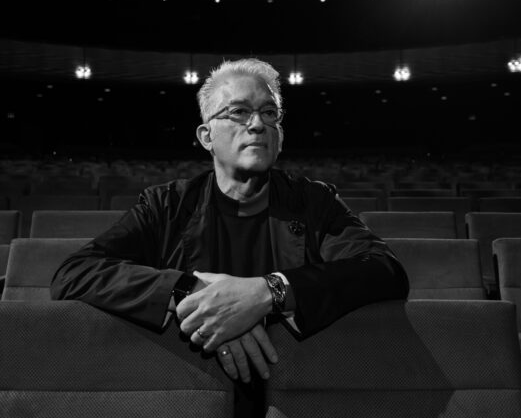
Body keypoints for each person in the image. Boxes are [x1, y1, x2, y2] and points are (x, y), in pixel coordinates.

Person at [51, 57, 408, 409]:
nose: (257, 125)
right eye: (238, 112)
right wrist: (192, 293)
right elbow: (75, 273)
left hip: (295, 393)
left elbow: (383, 268)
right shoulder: (167, 205)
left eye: (269, 114)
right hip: (188, 391)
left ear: (279, 136)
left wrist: (268, 292)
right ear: (206, 136)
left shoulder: (314, 201)